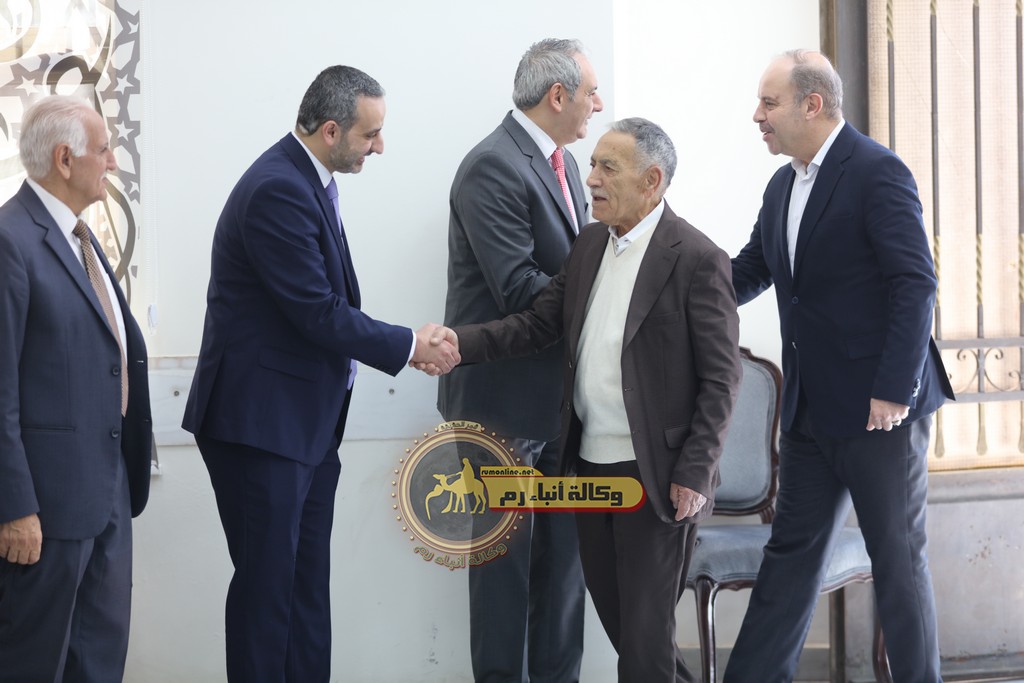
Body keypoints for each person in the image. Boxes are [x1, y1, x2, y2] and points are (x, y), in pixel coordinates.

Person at [425, 118, 741, 683]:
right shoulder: (591, 243)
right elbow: (535, 325)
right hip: (589, 467)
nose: (589, 178)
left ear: (651, 181)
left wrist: (695, 471)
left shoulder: (697, 258)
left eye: (607, 168)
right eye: (592, 163)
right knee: (624, 628)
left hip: (658, 476)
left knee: (643, 641)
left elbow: (722, 380)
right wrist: (457, 344)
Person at [181, 65, 459, 683]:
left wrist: (404, 343)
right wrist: (409, 344)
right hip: (261, 430)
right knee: (268, 597)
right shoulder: (277, 189)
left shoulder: (308, 181)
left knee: (304, 595)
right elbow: (317, 311)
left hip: (302, 429)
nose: (379, 147)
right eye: (370, 134)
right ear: (331, 130)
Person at [725, 50, 954, 683]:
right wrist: (672, 278)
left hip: (881, 413)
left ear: (812, 104)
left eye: (768, 103)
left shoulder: (878, 171)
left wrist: (894, 390)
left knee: (898, 565)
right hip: (810, 413)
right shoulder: (782, 185)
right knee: (789, 560)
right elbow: (751, 270)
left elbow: (915, 283)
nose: (757, 116)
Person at [438, 37, 602, 683]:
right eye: (591, 92)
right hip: (500, 407)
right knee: (502, 575)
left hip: (558, 405)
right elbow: (518, 287)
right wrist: (609, 290)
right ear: (558, 95)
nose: (598, 104)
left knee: (563, 570)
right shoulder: (493, 165)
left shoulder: (566, 164)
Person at [0, 95, 153, 682]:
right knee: (34, 664)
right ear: (65, 159)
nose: (112, 162)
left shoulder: (81, 239)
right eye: (105, 150)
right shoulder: (11, 241)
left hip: (106, 488)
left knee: (99, 660)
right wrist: (14, 506)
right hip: (44, 508)